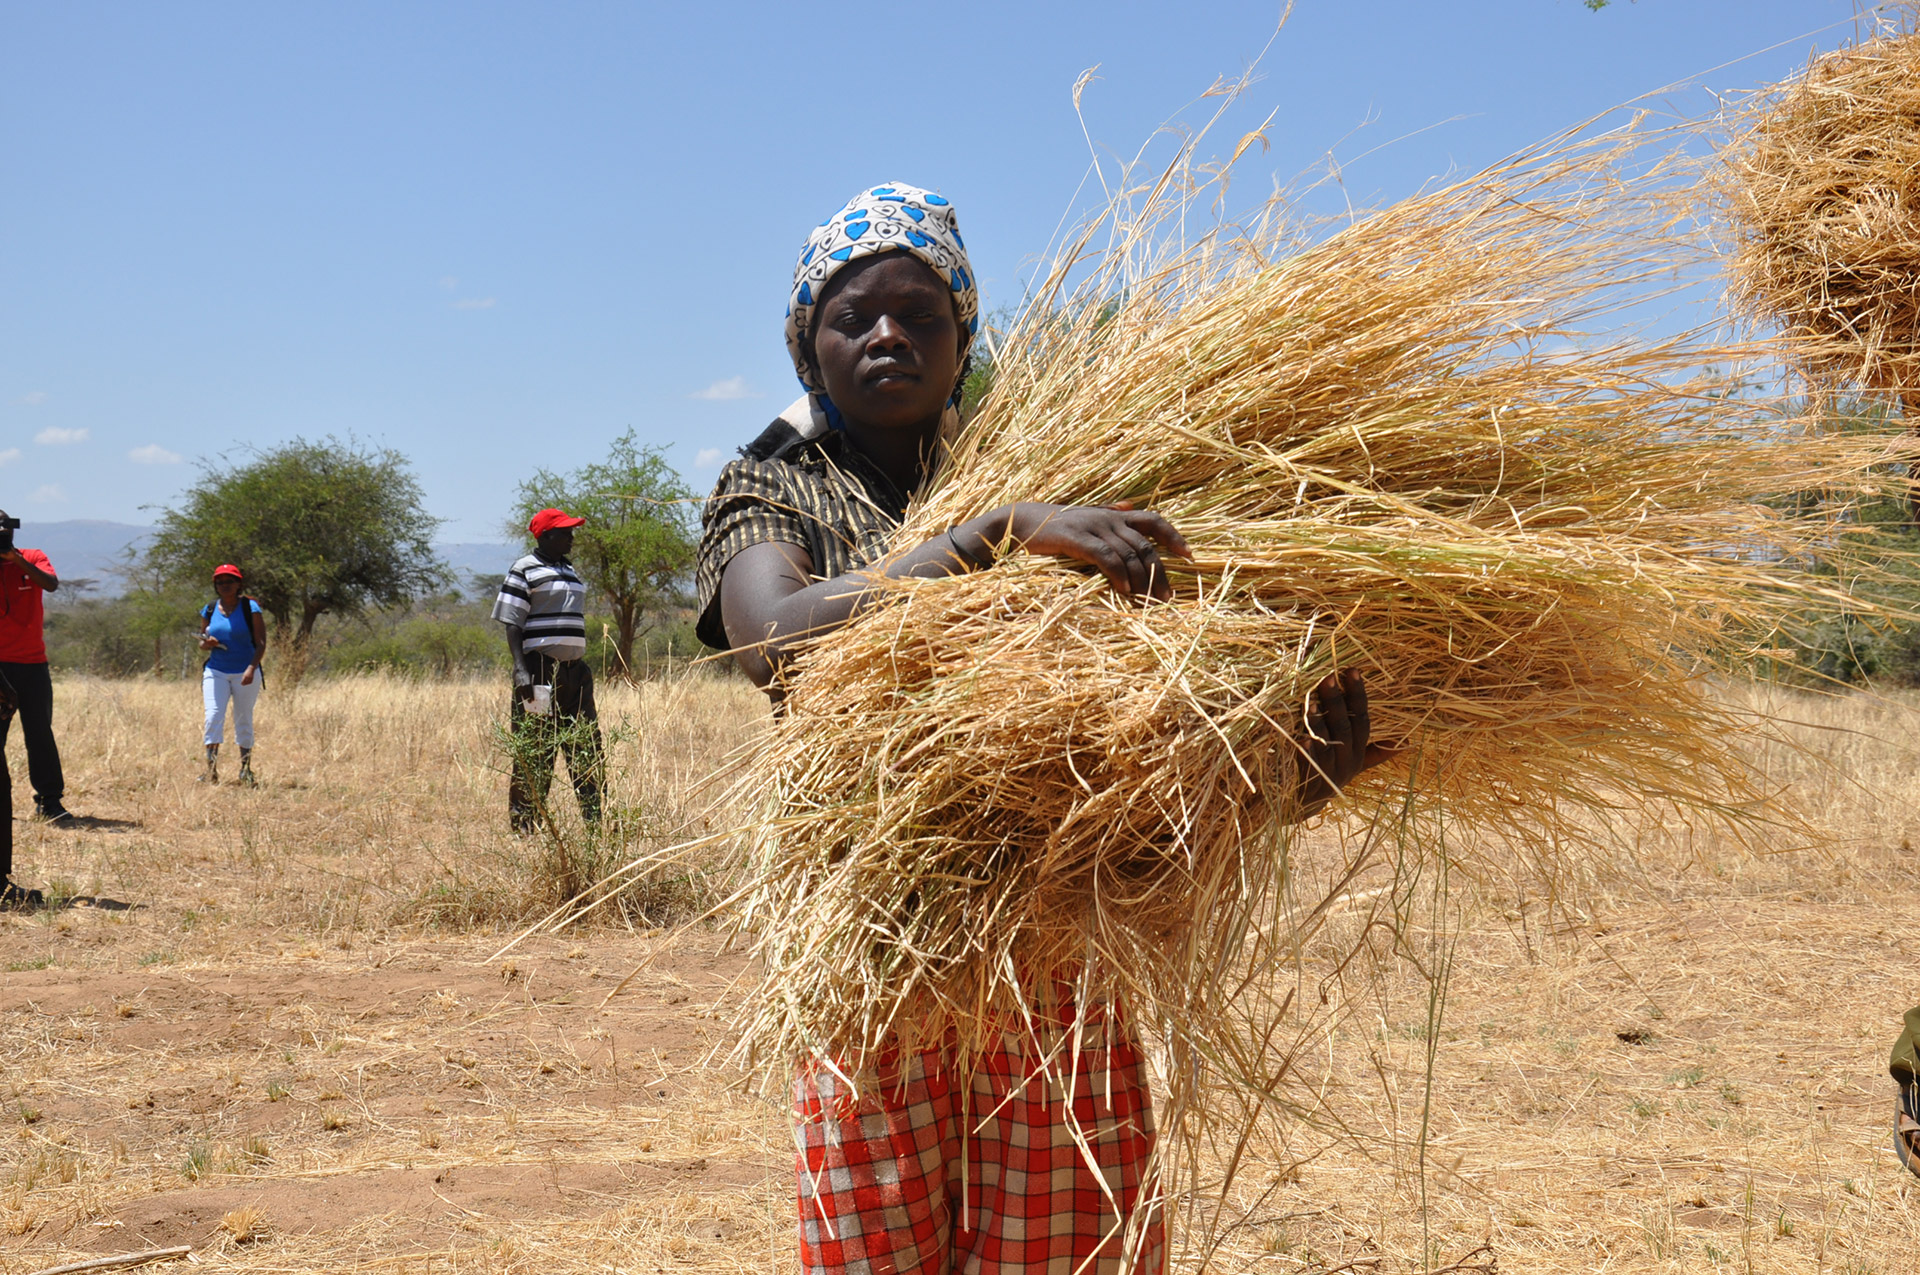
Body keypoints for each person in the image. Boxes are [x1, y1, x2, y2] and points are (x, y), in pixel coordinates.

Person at [696, 183, 1384, 1274]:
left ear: (964, 336)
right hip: (876, 955)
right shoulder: (777, 488)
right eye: (851, 315)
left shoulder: (1060, 468)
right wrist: (997, 536)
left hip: (1058, 945)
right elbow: (774, 639)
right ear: (805, 345)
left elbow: (1140, 724)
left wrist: (1287, 782)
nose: (886, 334)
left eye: (920, 314)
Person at [492, 508, 605, 834]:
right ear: (546, 536)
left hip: (575, 674)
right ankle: (525, 830)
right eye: (565, 532)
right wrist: (520, 670)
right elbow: (512, 623)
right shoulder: (524, 569)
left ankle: (596, 826)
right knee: (536, 751)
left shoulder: (568, 569)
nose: (572, 536)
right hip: (540, 674)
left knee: (586, 747)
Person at [195, 564, 267, 785]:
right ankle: (211, 770)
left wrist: (251, 668)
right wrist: (207, 644)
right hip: (216, 670)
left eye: (229, 581)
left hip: (245, 672)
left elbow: (261, 642)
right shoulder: (209, 609)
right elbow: (202, 642)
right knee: (213, 716)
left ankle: (245, 769)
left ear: (238, 584)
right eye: (220, 582)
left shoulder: (250, 608)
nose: (225, 586)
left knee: (243, 718)